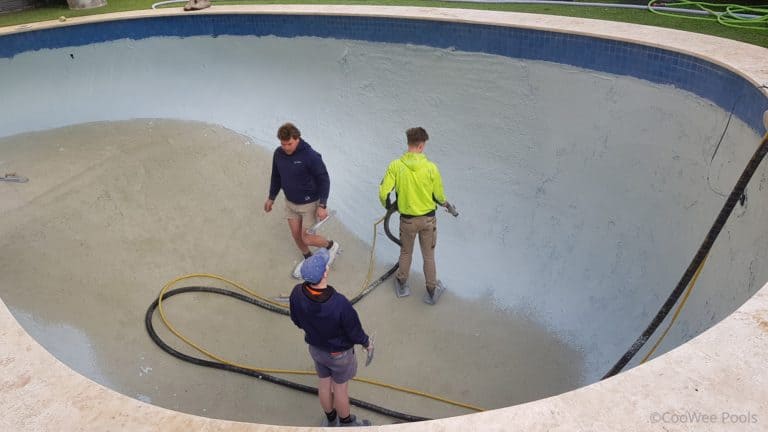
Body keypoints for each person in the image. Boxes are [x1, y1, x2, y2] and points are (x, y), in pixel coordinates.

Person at [289, 248, 373, 427]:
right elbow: (354, 331)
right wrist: (366, 343)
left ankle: (330, 418)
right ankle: (346, 422)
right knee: (340, 388)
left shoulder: (297, 293)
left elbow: (296, 319)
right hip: (339, 355)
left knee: (324, 383)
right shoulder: (339, 304)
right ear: (326, 273)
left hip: (316, 349)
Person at [379, 127, 450, 305]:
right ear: (422, 145)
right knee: (428, 257)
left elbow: (383, 193)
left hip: (407, 221)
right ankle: (432, 292)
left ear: (409, 143)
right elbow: (439, 196)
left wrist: (389, 207)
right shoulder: (431, 168)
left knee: (405, 252)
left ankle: (402, 285)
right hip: (428, 221)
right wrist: (445, 204)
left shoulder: (396, 165)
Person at [264, 123, 340, 278]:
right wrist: (271, 197)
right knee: (296, 236)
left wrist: (322, 205)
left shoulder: (310, 156)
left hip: (309, 204)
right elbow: (276, 177)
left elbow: (324, 179)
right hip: (290, 203)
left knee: (307, 237)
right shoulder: (278, 154)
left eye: (289, 144)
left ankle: (331, 246)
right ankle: (308, 258)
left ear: (297, 138)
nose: (286, 147)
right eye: (283, 144)